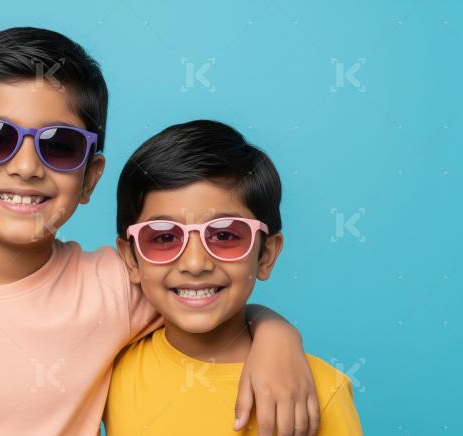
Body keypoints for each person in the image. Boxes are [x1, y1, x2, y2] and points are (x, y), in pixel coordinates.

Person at [0, 27, 318, 435]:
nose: (27, 166)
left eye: (60, 145)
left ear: (90, 177)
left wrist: (277, 337)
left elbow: (207, 286)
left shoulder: (117, 284)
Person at [104, 120, 362, 435]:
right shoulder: (107, 369)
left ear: (266, 255)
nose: (195, 263)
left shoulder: (317, 392)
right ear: (131, 259)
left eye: (225, 235)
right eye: (164, 237)